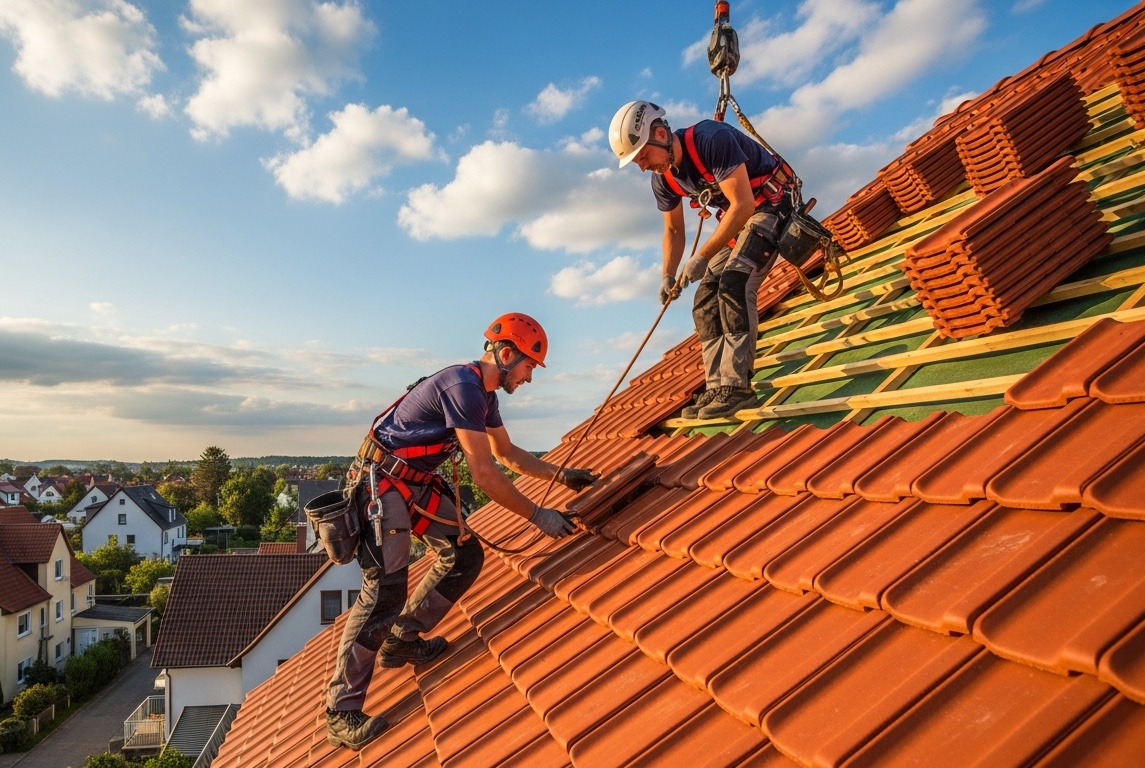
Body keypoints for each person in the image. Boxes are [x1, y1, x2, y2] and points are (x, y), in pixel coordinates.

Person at [323, 312, 599, 750]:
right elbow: (485, 474)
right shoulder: (464, 387)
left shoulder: (485, 397)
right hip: (384, 486)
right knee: (384, 590)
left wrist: (562, 474)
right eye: (529, 366)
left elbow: (506, 454)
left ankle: (402, 640)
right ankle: (340, 711)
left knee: (465, 555)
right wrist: (539, 516)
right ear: (506, 355)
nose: (529, 378)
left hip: (412, 483)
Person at [609, 100, 795, 420]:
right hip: (740, 222)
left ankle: (737, 387)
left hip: (772, 206)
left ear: (660, 134)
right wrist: (668, 275)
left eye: (642, 156)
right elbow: (673, 230)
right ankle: (717, 386)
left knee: (736, 280)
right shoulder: (664, 179)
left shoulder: (711, 140)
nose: (642, 166)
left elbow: (742, 204)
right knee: (706, 296)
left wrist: (702, 256)